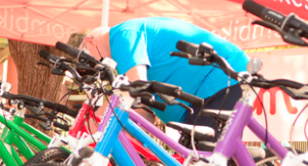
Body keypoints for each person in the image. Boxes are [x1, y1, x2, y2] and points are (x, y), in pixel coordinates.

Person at [81, 17, 248, 130]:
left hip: (219, 81)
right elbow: (143, 109)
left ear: (89, 41)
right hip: (204, 95)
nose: (93, 66)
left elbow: (137, 86)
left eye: (88, 59)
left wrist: (95, 120)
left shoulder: (122, 36)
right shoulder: (123, 46)